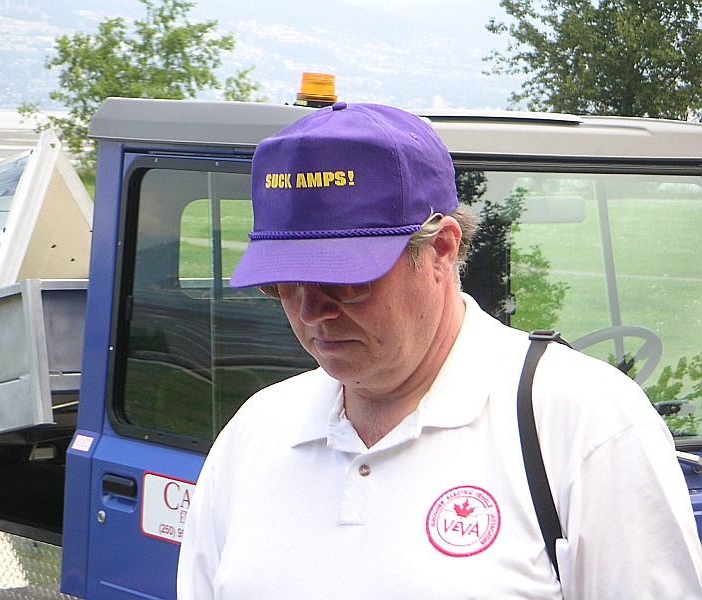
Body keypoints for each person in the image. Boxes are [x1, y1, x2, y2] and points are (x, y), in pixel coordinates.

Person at [177, 102, 702, 599]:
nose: (311, 311)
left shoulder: (584, 423)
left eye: (344, 280)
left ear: (442, 250)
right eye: (283, 284)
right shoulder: (254, 435)